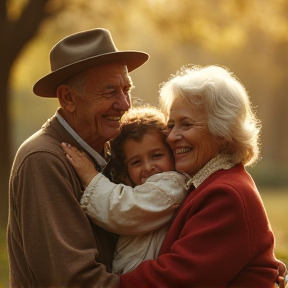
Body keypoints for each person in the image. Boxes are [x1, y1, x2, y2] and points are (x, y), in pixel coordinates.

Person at [7, 28, 149, 287]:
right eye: (109, 92)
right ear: (68, 98)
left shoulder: (110, 150)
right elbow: (76, 281)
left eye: (126, 89)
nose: (125, 104)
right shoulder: (43, 160)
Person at [116, 65, 281, 287]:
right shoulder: (203, 183)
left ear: (222, 132)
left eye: (186, 124)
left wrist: (105, 283)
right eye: (171, 125)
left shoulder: (226, 194)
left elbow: (177, 278)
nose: (172, 137)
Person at [61, 106, 189, 274]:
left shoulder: (172, 185)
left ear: (172, 154)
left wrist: (90, 177)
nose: (149, 167)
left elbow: (123, 210)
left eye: (156, 155)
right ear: (125, 169)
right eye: (136, 162)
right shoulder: (136, 188)